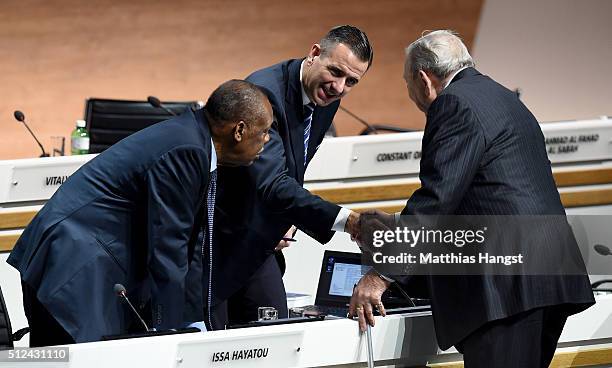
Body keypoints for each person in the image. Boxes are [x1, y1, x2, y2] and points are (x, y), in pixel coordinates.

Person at [349, 30, 595, 368]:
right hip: (547, 276)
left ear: (424, 79)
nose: (412, 96)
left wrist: (382, 275)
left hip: (508, 289)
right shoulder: (501, 96)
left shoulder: (453, 103)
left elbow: (436, 202)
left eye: (408, 86)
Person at [6, 79, 273, 346]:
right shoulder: (187, 150)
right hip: (72, 265)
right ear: (239, 130)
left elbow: (190, 247)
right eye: (264, 131)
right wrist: (170, 336)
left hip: (80, 260)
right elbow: (169, 248)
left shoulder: (196, 143)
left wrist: (192, 322)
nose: (267, 140)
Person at [209, 25, 372, 328]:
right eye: (335, 72)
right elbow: (269, 182)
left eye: (351, 81)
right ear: (314, 54)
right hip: (221, 237)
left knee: (275, 337)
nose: (339, 87)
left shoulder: (324, 97)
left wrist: (289, 217)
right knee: (216, 348)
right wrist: (348, 220)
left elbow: (291, 167)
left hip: (260, 237)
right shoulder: (265, 94)